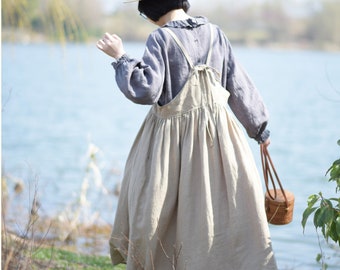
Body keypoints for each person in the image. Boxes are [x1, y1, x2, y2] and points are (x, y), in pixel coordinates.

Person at [97, 0, 278, 269]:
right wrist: (260, 130)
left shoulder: (161, 38)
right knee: (222, 217)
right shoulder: (216, 34)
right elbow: (239, 86)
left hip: (172, 147)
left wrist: (121, 57)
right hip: (222, 144)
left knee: (158, 215)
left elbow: (145, 90)